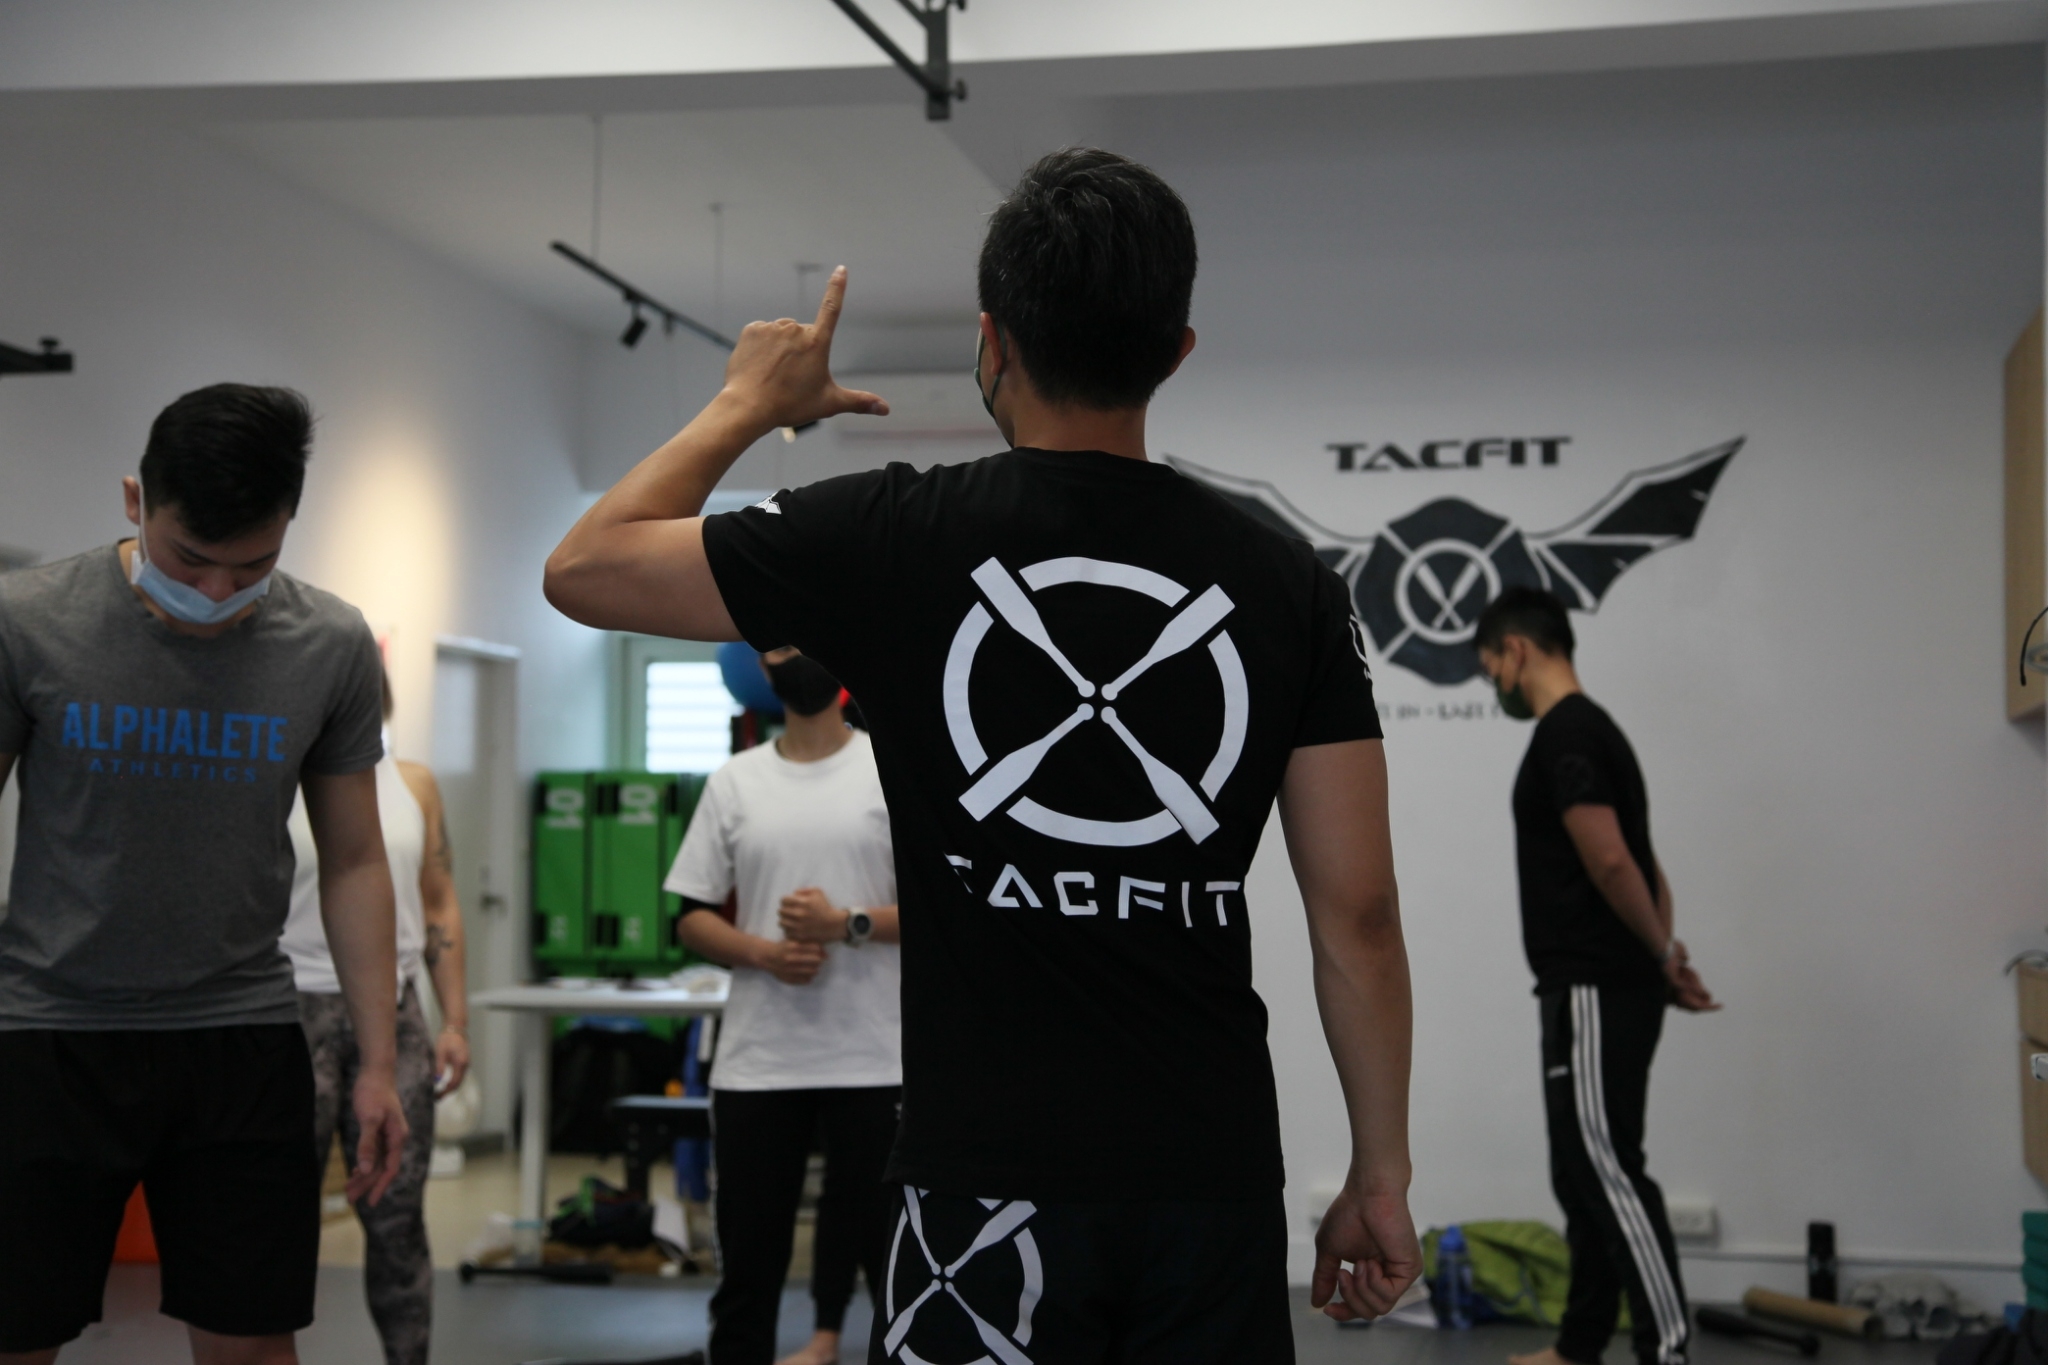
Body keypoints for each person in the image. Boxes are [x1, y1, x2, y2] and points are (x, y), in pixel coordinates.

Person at [545, 147, 1418, 1361]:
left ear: (990, 340)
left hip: (982, 1178)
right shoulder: (1284, 581)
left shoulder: (893, 534)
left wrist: (749, 403)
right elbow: (1358, 916)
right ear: (1175, 352)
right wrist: (1379, 1172)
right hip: (1203, 1177)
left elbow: (584, 568)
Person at [0, 383, 406, 1365]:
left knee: (253, 1345)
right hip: (50, 1032)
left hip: (241, 1037)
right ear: (135, 501)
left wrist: (378, 1063)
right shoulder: (29, 620)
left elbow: (355, 859)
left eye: (252, 566)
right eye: (190, 560)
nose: (219, 593)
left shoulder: (329, 644)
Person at [1472, 586, 1718, 1365]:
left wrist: (1660, 956)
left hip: (1592, 986)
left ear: (1516, 649)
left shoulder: (1565, 733)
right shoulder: (1599, 731)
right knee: (1581, 1170)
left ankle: (1667, 1347)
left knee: (1605, 1166)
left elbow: (1612, 859)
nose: (1494, 684)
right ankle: (1579, 1345)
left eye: (1489, 667)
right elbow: (1646, 861)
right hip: (1605, 983)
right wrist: (1666, 955)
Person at [665, 648, 900, 1365]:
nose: (792, 659)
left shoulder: (889, 768)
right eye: (777, 649)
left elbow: (945, 907)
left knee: (894, 1268)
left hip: (876, 1058)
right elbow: (690, 915)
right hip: (761, 1063)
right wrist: (764, 953)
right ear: (762, 672)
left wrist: (846, 923)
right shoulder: (736, 781)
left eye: (805, 645)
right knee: (748, 1271)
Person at [281, 666, 469, 1365]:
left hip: (394, 1012)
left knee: (397, 1221)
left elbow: (440, 899)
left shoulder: (413, 783)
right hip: (287, 1010)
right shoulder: (275, 776)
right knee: (275, 1222)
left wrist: (455, 1021)